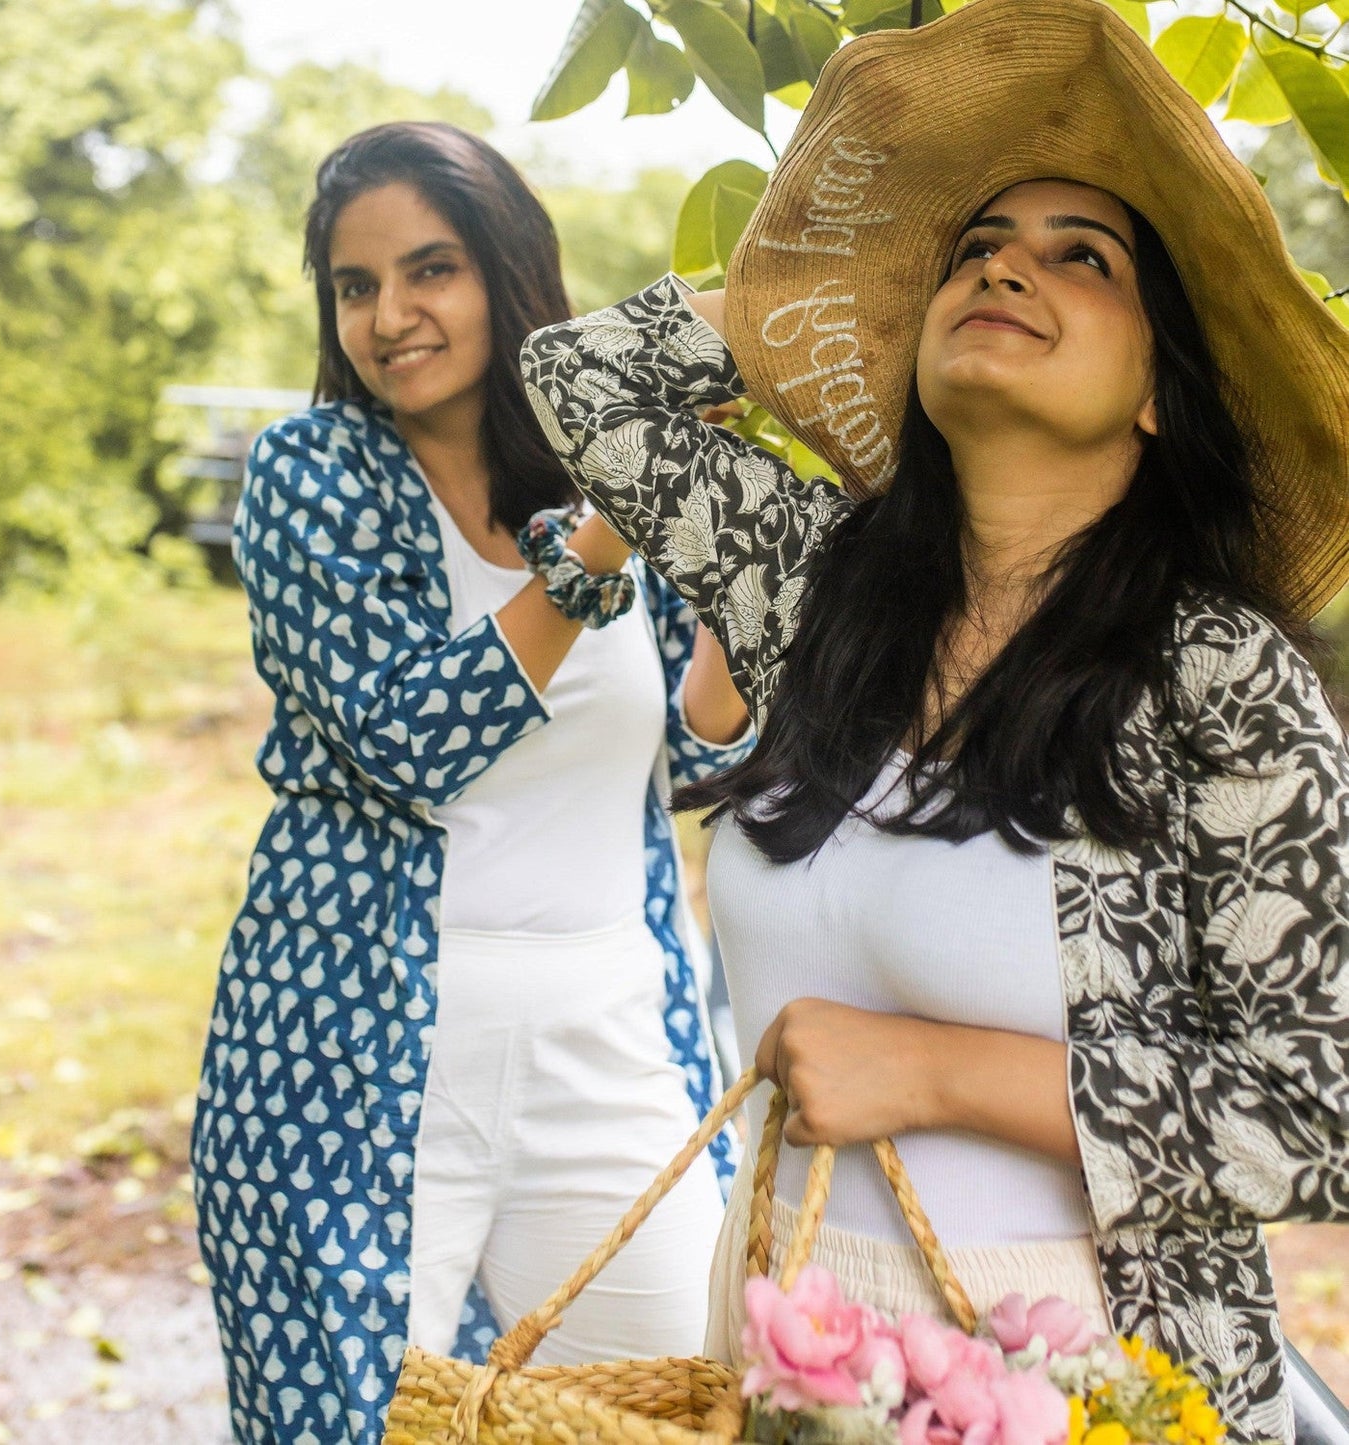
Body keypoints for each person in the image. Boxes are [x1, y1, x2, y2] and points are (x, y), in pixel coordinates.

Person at [519, 1, 1349, 1439]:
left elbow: (1321, 1107)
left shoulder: (1215, 678)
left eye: (1076, 258)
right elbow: (577, 380)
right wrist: (818, 293)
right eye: (974, 251)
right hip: (794, 1332)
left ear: (1159, 388)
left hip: (1090, 1365)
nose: (1006, 267)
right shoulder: (818, 587)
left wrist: (936, 1073)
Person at [190, 120, 752, 1445]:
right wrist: (608, 536)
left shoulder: (585, 478)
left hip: (611, 1038)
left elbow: (699, 750)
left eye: (427, 270)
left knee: (683, 1404)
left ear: (505, 272)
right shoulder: (311, 478)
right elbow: (406, 736)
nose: (389, 316)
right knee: (349, 1425)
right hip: (355, 1061)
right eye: (354, 285)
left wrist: (705, 517)